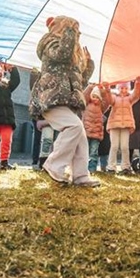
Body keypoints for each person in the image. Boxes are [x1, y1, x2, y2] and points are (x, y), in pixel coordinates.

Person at [28, 16, 99, 187]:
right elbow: (61, 54)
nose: (78, 33)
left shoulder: (70, 56)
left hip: (63, 100)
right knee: (74, 126)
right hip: (51, 98)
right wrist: (70, 32)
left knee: (80, 136)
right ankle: (54, 164)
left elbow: (80, 82)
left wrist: (88, 64)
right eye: (74, 29)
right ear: (64, 29)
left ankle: (80, 175)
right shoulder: (50, 43)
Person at [104, 80, 138, 173]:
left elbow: (136, 94)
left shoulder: (129, 98)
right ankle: (111, 167)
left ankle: (126, 167)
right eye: (122, 88)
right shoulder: (114, 97)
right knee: (114, 146)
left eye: (126, 88)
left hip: (125, 126)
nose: (124, 90)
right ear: (118, 88)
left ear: (129, 89)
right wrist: (107, 89)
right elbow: (109, 100)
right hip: (114, 125)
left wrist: (138, 83)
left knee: (124, 147)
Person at [82, 84, 107, 173]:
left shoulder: (101, 106)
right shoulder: (86, 104)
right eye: (93, 96)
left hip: (96, 133)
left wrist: (103, 91)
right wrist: (90, 87)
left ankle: (92, 169)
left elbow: (107, 101)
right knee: (84, 151)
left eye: (97, 97)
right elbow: (84, 96)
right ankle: (83, 169)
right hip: (86, 131)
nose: (95, 98)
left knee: (94, 152)